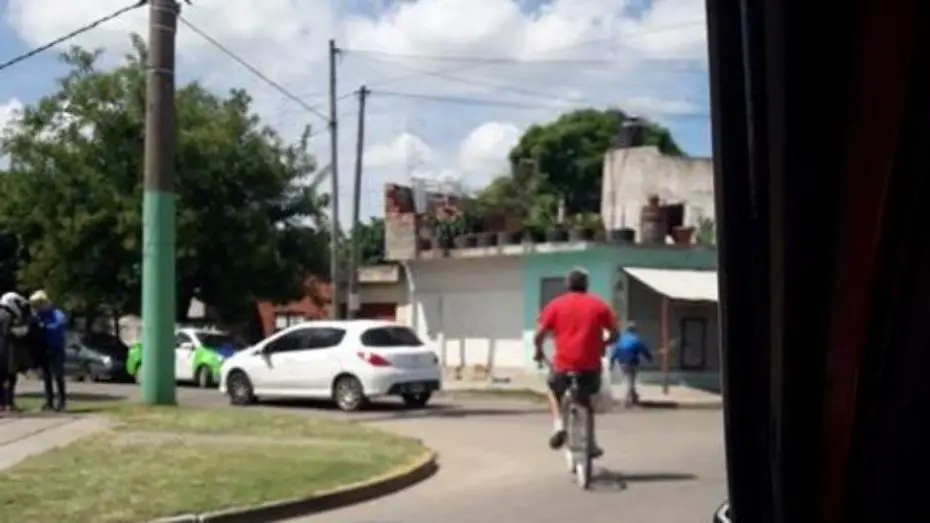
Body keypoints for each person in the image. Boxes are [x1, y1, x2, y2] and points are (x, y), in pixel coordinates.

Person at [533, 267, 619, 457]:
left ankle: (558, 426)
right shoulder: (599, 305)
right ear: (587, 285)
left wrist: (538, 351)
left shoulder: (555, 305)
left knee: (553, 390)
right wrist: (603, 344)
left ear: (567, 284)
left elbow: (539, 335)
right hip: (591, 367)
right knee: (586, 401)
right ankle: (592, 444)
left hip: (563, 366)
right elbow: (615, 334)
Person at [29, 290, 67, 411]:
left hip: (56, 348)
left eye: (39, 303)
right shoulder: (38, 315)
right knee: (46, 376)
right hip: (44, 348)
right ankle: (49, 401)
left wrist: (45, 327)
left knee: (58, 375)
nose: (38, 307)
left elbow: (60, 326)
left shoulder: (57, 314)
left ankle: (61, 402)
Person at [609, 322, 653, 407]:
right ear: (634, 330)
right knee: (630, 382)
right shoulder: (636, 339)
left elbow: (615, 352)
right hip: (631, 363)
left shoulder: (621, 339)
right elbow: (644, 350)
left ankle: (634, 398)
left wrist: (611, 363)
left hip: (622, 363)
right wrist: (650, 358)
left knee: (629, 380)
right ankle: (624, 402)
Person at [0, 292, 31, 412]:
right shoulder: (7, 315)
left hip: (4, 350)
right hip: (5, 351)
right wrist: (21, 331)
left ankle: (4, 403)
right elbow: (8, 332)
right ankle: (8, 403)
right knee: (10, 377)